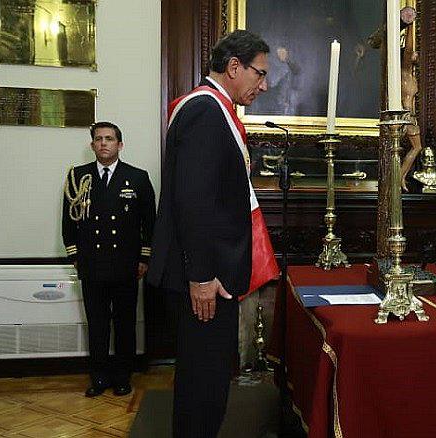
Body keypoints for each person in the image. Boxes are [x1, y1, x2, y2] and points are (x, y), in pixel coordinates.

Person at [147, 30, 279, 438]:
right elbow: (193, 201)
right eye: (260, 73)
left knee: (210, 381)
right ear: (234, 67)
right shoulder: (205, 111)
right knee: (203, 389)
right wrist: (201, 276)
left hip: (212, 275)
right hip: (206, 280)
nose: (264, 85)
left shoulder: (213, 108)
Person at [61, 121, 155, 397]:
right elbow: (69, 221)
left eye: (109, 139)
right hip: (92, 264)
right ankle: (99, 377)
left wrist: (144, 258)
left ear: (120, 145)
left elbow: (150, 223)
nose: (104, 143)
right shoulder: (78, 177)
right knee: (97, 325)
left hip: (126, 265)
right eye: (99, 139)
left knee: (125, 324)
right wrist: (75, 256)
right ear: (92, 145)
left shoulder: (137, 177)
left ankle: (123, 376)